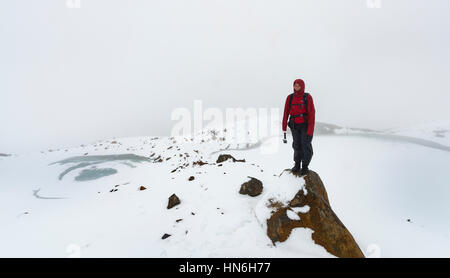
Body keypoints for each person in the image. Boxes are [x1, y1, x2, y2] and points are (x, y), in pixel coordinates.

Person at [282, 78, 316, 175]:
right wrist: (284, 126)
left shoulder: (307, 97)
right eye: (295, 85)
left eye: (298, 85)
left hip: (305, 125)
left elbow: (312, 114)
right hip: (294, 125)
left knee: (305, 145)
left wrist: (310, 130)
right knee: (296, 145)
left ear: (302, 86)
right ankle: (297, 164)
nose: (296, 87)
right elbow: (286, 112)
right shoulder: (290, 98)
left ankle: (305, 166)